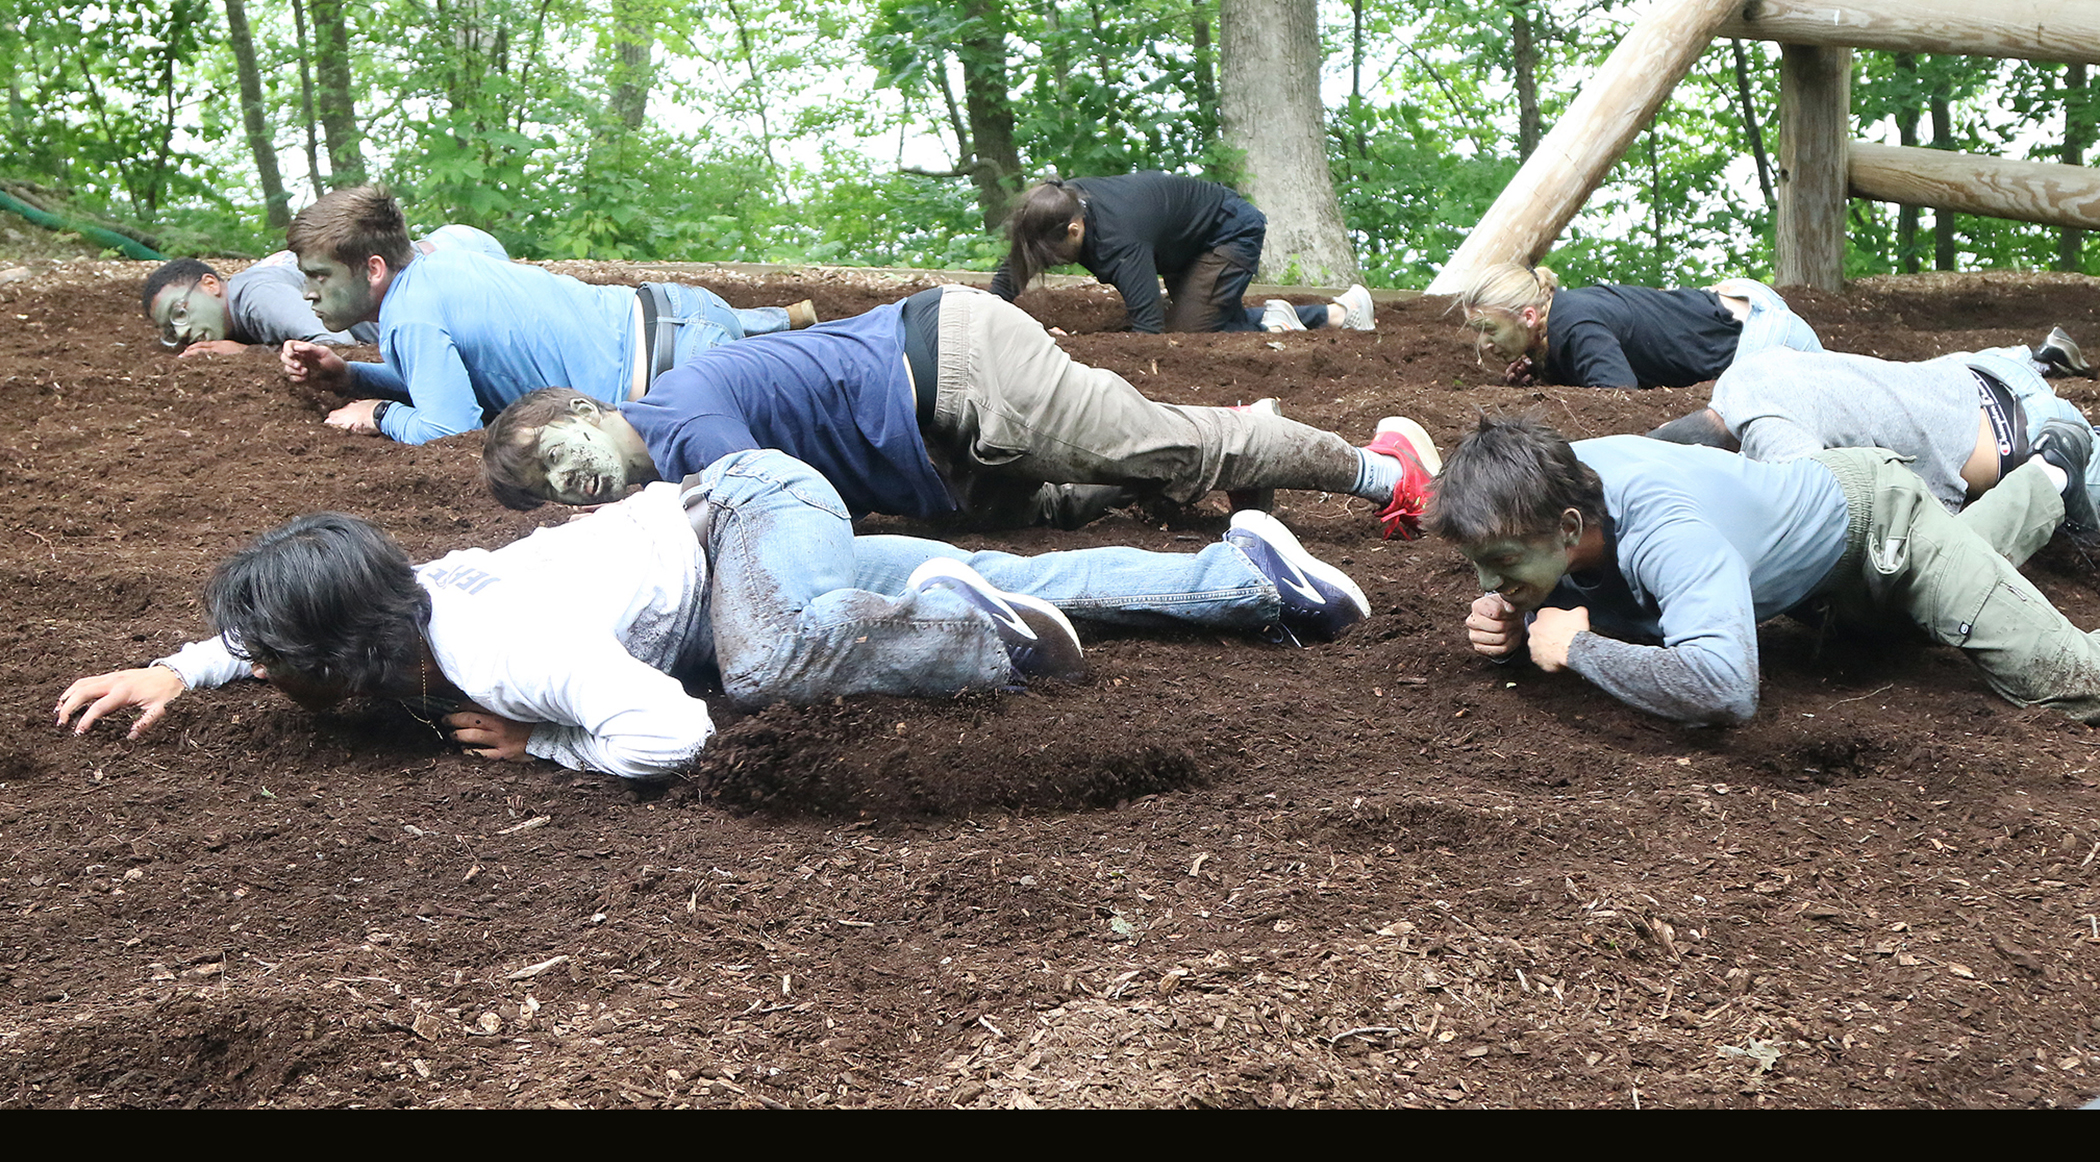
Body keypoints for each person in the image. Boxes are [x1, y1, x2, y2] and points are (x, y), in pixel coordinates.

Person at [55, 449, 1375, 778]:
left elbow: (670, 732)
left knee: (773, 661)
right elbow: (281, 627)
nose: (263, 668)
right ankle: (1254, 576)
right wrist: (181, 666)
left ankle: (973, 638)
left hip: (739, 516)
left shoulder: (505, 650)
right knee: (1023, 566)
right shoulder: (409, 595)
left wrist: (549, 748)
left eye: (271, 657)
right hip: (736, 535)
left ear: (340, 656)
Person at [477, 284, 1441, 538]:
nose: (575, 491)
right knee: (1052, 503)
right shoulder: (670, 440)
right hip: (936, 435)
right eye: (552, 497)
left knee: (1165, 446)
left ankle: (1383, 468)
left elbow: (770, 507)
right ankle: (1238, 442)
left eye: (559, 460)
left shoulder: (682, 428)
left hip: (961, 369)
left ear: (589, 406)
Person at [1432, 412, 2100, 727]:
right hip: (1818, 586)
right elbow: (1522, 570)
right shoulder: (1544, 480)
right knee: (1938, 593)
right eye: (1479, 567)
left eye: (1501, 565)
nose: (1488, 584)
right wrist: (1512, 621)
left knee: (2071, 679)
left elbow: (1724, 687)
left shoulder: (1670, 532)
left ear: (1570, 528)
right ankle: (2048, 472)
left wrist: (1574, 646)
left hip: (1882, 526)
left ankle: (2050, 471)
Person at [274, 185, 813, 445]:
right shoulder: (451, 248)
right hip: (679, 305)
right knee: (821, 364)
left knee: (816, 414)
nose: (307, 294)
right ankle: (781, 321)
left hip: (678, 379)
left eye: (319, 276)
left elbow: (450, 426)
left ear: (372, 268)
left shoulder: (408, 317)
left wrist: (379, 414)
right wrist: (349, 374)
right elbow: (452, 370)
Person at [1648, 343, 2100, 529]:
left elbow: (1822, 514)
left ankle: (2064, 468)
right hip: (1989, 366)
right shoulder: (1741, 373)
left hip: (2026, 433)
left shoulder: (1773, 436)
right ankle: (2046, 357)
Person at [990, 171, 1376, 335]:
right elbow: (1017, 266)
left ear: (1074, 230)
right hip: (1183, 243)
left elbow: (1149, 331)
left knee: (1191, 331)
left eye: (1052, 253)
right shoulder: (1061, 203)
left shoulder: (1120, 241)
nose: (1049, 261)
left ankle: (1336, 313)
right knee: (1199, 315)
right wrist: (983, 310)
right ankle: (1277, 316)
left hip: (1229, 231)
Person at [140, 225, 507, 355]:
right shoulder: (250, 298)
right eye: (171, 332)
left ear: (210, 284)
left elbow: (336, 344)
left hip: (462, 256)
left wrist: (244, 355)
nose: (184, 333)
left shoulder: (254, 295)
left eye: (180, 312)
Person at [1453, 262, 1823, 388]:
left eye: (1490, 329)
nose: (1484, 343)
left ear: (1529, 317)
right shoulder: (1563, 316)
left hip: (1766, 337)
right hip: (1735, 308)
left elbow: (1616, 391)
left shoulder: (1574, 325)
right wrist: (1544, 367)